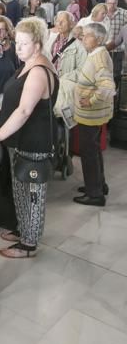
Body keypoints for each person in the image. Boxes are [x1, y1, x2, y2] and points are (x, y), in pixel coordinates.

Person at [0, 17, 58, 259]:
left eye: (24, 44)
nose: (18, 48)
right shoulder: (27, 63)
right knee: (21, 190)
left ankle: (29, 244)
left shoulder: (38, 71)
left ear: (37, 44)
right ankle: (24, 229)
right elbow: (18, 99)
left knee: (32, 194)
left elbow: (25, 110)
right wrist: (2, 111)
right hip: (21, 141)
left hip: (34, 142)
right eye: (17, 43)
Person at [72, 23, 115, 206]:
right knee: (94, 151)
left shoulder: (98, 58)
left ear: (98, 39)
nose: (83, 38)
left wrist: (90, 101)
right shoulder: (98, 53)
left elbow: (107, 87)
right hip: (93, 115)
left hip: (91, 115)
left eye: (87, 35)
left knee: (89, 153)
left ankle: (95, 194)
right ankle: (98, 185)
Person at [105, 0, 127, 87]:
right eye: (109, 3)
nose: (112, 6)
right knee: (105, 71)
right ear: (106, 3)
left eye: (114, 3)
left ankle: (116, 91)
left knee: (117, 72)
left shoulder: (123, 13)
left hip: (118, 48)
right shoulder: (102, 13)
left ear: (117, 3)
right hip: (105, 48)